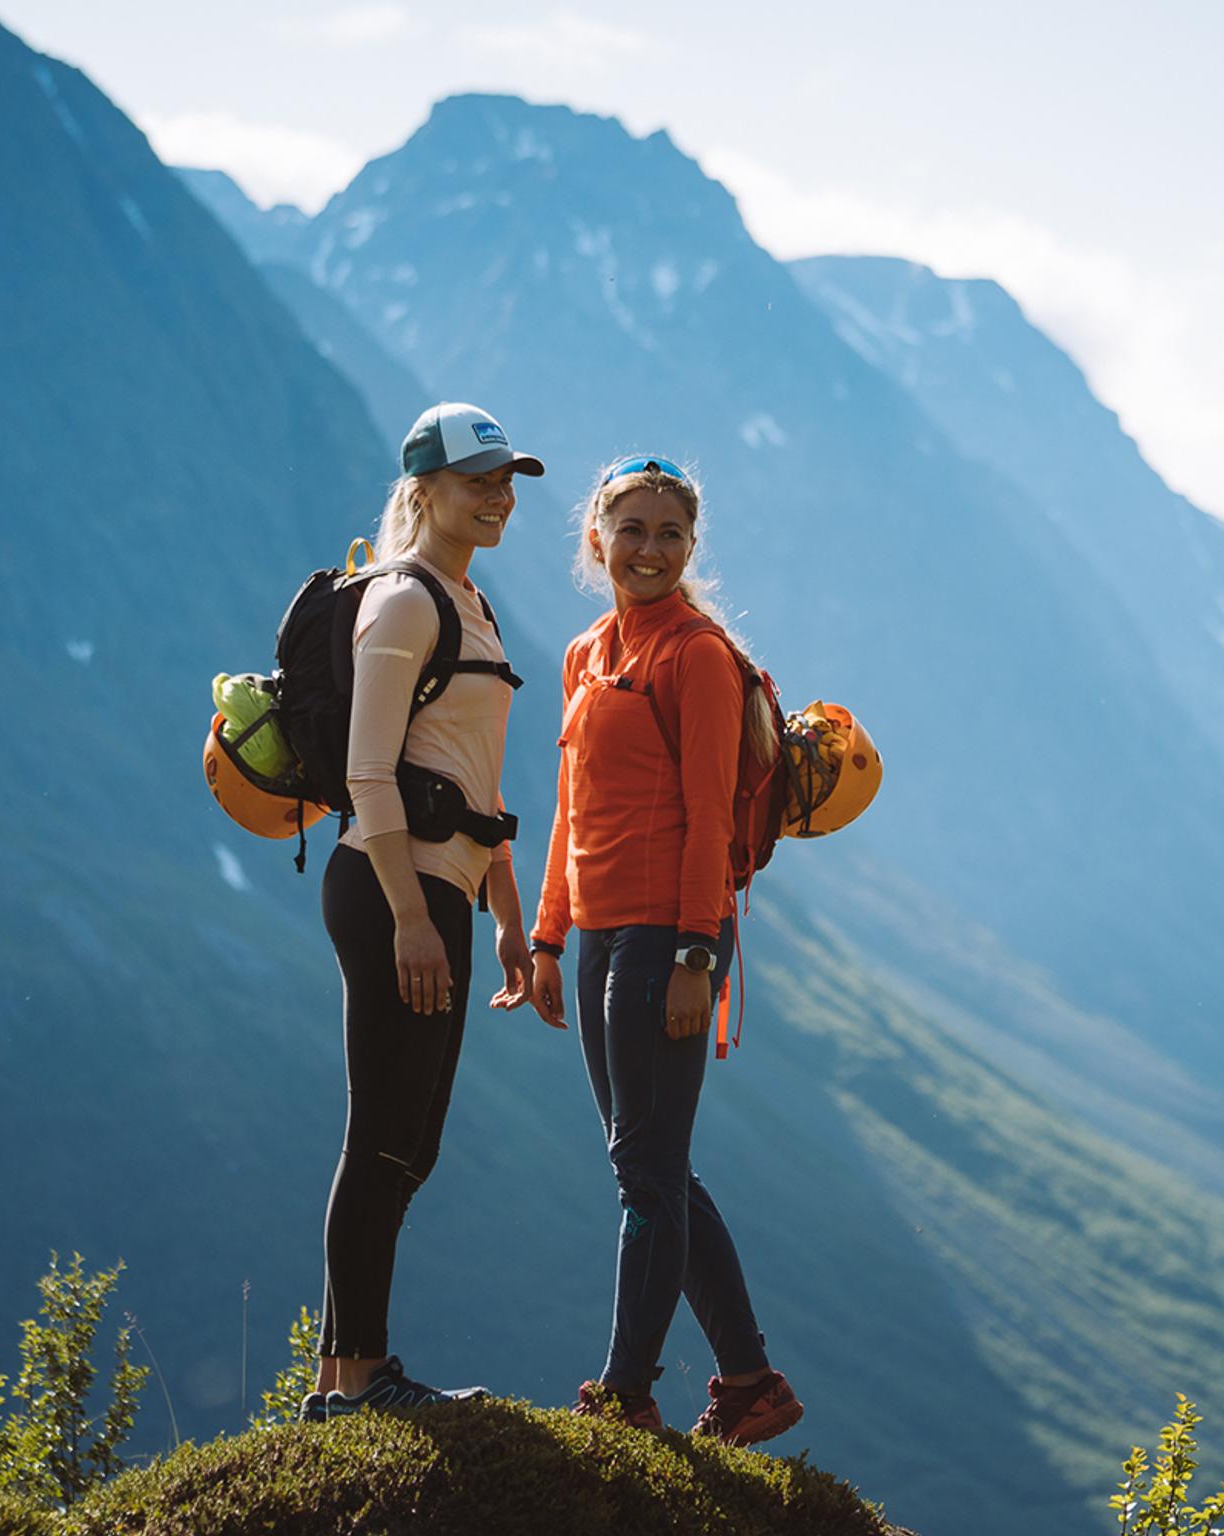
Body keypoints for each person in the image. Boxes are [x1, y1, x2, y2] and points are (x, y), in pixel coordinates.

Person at [528, 456, 804, 1446]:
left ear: (691, 548)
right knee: (654, 1170)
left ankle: (623, 1394)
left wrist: (695, 957)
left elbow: (702, 815)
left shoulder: (695, 655)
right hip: (599, 936)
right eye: (629, 530)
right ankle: (749, 1384)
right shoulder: (584, 652)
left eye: (667, 534)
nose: (647, 549)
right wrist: (548, 937)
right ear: (593, 540)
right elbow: (569, 809)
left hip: (666, 937)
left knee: (644, 1176)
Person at [305, 403, 544, 1419]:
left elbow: (476, 784)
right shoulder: (403, 602)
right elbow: (370, 774)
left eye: (506, 482)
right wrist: (409, 916)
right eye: (478, 480)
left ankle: (337, 1378)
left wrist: (506, 917)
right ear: (423, 491)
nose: (498, 497)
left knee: (412, 1140)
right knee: (384, 1135)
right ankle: (359, 1379)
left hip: (439, 888)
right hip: (386, 885)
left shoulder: (471, 603)